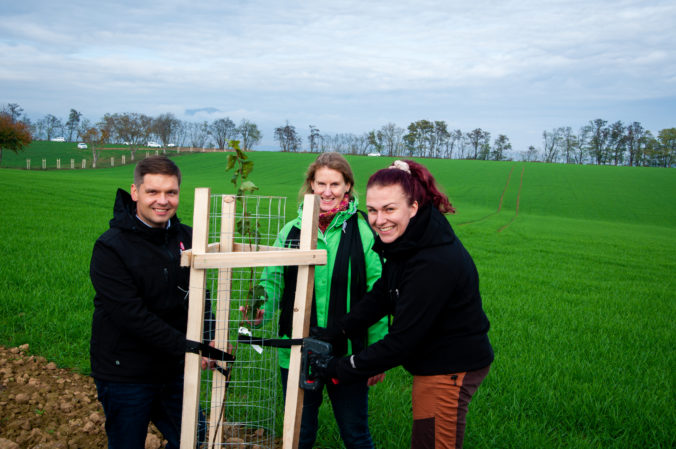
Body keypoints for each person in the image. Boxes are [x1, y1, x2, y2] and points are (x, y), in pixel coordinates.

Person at [312, 159, 494, 449]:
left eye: (389, 209)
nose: (379, 220)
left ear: (413, 207)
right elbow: (384, 293)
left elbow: (402, 342)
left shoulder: (431, 262)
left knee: (432, 443)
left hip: (449, 367)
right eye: (372, 210)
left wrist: (338, 367)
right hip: (435, 361)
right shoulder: (411, 239)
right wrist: (338, 330)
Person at [256, 152, 387, 449]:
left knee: (355, 433)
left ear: (348, 186)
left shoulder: (365, 232)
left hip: (349, 354)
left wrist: (378, 353)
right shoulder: (291, 231)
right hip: (297, 352)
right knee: (298, 435)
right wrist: (259, 309)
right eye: (321, 183)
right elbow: (272, 279)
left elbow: (377, 294)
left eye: (335, 184)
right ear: (311, 185)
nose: (327, 191)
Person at [90, 155, 212, 449]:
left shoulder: (189, 238)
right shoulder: (110, 247)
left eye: (171, 192)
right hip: (126, 372)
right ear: (135, 193)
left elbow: (202, 296)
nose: (163, 200)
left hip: (174, 370)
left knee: (192, 439)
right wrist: (191, 348)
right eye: (153, 192)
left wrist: (209, 336)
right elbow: (132, 316)